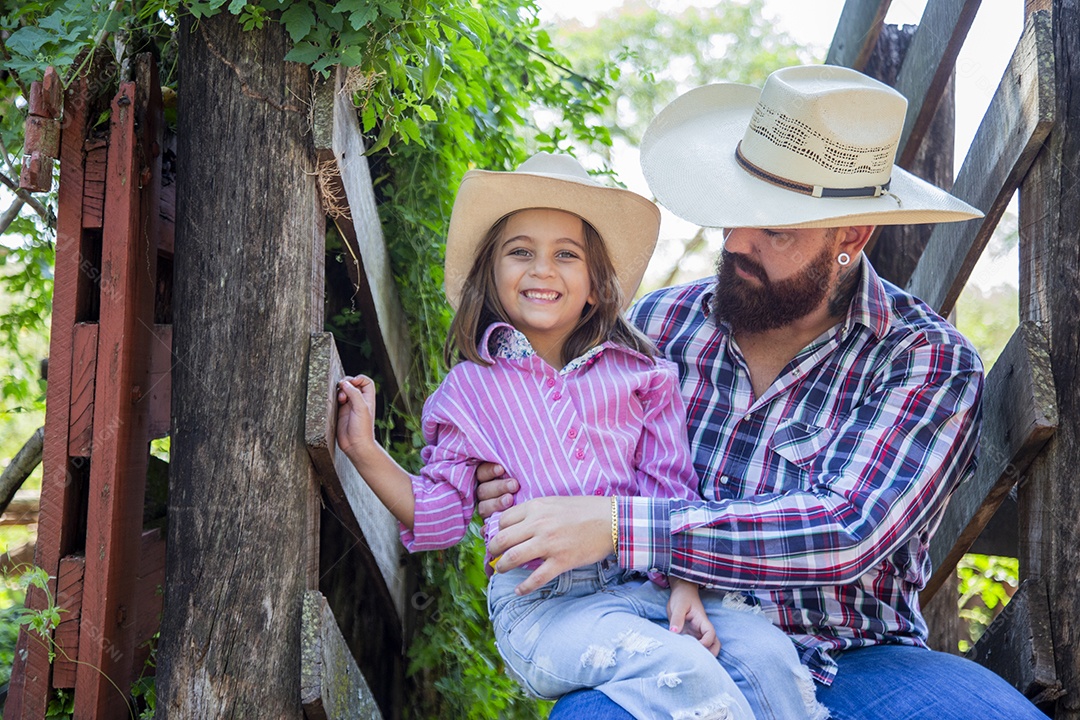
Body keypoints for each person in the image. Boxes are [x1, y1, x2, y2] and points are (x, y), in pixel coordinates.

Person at [476, 66, 1047, 719]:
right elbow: (567, 451)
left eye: (776, 231)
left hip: (859, 656)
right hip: (670, 633)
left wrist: (617, 526)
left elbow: (846, 531)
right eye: (738, 214)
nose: (741, 246)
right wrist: (513, 487)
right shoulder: (659, 327)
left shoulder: (924, 358)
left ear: (850, 239)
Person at [335, 152, 826, 719]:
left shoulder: (642, 377)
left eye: (566, 255)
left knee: (764, 653)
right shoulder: (469, 391)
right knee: (682, 667)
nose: (542, 269)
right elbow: (441, 512)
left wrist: (687, 584)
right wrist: (364, 451)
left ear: (595, 286)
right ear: (492, 275)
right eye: (520, 252)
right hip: (546, 608)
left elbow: (670, 488)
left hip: (650, 585)